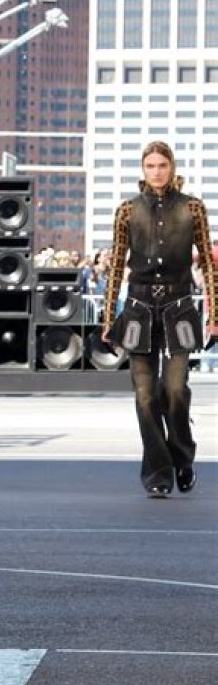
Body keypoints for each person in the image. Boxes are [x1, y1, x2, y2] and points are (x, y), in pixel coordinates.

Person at [102, 140, 217, 497]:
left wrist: (214, 316)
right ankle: (158, 473)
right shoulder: (126, 210)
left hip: (179, 307)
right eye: (150, 166)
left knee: (175, 389)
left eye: (162, 165)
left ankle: (182, 456)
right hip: (137, 309)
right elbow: (116, 265)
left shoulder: (193, 208)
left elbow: (209, 263)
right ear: (143, 169)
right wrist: (108, 319)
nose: (156, 172)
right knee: (145, 395)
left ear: (172, 167)